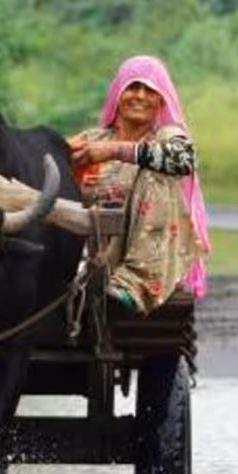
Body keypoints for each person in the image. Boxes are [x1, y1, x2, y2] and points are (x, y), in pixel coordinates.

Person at [68, 55, 211, 314]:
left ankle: (133, 284)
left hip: (151, 265)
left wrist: (115, 151)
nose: (140, 96)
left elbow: (184, 159)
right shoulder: (92, 140)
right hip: (93, 260)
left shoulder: (168, 136)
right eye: (133, 87)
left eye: (150, 90)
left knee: (155, 171)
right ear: (118, 94)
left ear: (160, 101)